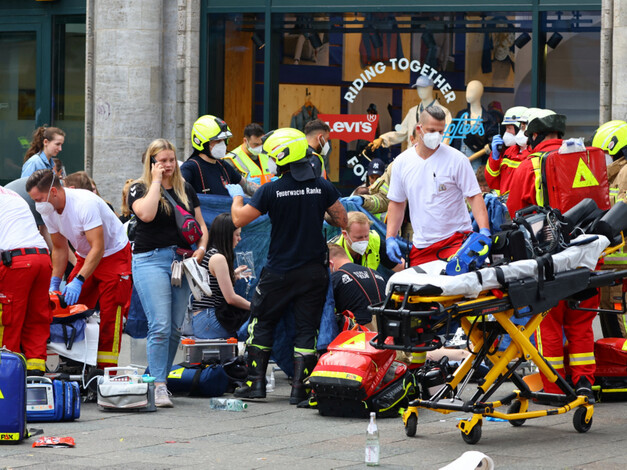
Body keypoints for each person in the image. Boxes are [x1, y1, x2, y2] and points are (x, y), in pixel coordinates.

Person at [229, 127, 347, 404]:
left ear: (281, 157)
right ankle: (300, 389)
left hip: (279, 271)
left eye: (271, 156)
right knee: (307, 328)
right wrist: (316, 210)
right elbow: (341, 220)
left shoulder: (271, 190)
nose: (268, 160)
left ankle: (255, 383)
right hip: (313, 271)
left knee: (262, 322)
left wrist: (236, 195)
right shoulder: (321, 185)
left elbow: (238, 220)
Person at [505, 112, 598, 400]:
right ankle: (584, 384)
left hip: (550, 261)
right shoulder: (587, 159)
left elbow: (513, 212)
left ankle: (556, 389)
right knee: (581, 322)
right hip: (589, 257)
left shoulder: (528, 167)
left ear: (534, 136)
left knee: (549, 324)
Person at [128, 138, 209, 407]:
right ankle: (160, 385)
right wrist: (154, 182)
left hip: (183, 262)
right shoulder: (138, 188)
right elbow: (147, 215)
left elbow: (201, 226)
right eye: (161, 160)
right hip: (150, 259)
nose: (167, 165)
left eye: (171, 160)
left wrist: (201, 249)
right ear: (151, 163)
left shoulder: (185, 188)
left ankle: (156, 378)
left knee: (174, 327)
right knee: (160, 325)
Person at [26, 169, 133, 371]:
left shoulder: (85, 203)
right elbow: (59, 248)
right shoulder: (47, 210)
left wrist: (79, 279)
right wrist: (54, 282)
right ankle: (78, 363)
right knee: (68, 308)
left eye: (39, 198)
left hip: (114, 255)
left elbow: (98, 247)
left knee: (111, 314)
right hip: (86, 255)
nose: (37, 204)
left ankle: (104, 371)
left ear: (54, 192)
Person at [385, 107, 490, 267]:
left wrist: (484, 230)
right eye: (431, 130)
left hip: (456, 241)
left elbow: (474, 196)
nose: (436, 136)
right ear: (419, 129)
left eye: (440, 131)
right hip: (421, 246)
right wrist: (390, 237)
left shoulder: (457, 160)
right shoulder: (401, 163)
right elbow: (397, 203)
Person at [0, 185, 52, 375]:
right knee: (36, 318)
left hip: (17, 261)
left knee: (8, 320)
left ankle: (6, 374)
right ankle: (35, 375)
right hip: (42, 257)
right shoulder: (10, 194)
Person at [190, 213, 251, 339]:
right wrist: (257, 307)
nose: (239, 239)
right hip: (210, 319)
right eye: (237, 235)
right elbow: (231, 298)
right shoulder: (218, 258)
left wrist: (233, 275)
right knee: (260, 317)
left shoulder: (211, 254)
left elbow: (213, 284)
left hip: (202, 319)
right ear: (227, 235)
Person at [368, 75, 452, 150]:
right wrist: (383, 139)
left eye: (424, 87)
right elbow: (401, 132)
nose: (420, 91)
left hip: (433, 159)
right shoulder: (412, 111)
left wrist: (439, 158)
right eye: (418, 88)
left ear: (431, 88)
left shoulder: (443, 112)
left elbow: (445, 138)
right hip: (413, 158)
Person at [181, 115, 258, 196]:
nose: (222, 144)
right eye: (217, 141)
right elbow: (177, 188)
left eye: (224, 140)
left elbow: (245, 185)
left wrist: (268, 191)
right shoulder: (190, 167)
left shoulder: (223, 166)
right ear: (202, 143)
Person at [328, 243, 385, 329]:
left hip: (358, 336)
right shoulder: (376, 273)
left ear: (330, 264)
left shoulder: (336, 278)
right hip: (385, 333)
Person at [332, 211, 403, 272]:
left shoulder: (375, 241)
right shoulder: (333, 250)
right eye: (359, 237)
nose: (364, 241)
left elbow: (401, 267)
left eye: (366, 236)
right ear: (345, 234)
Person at [484, 106, 530, 194]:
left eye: (509, 128)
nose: (506, 133)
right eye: (506, 129)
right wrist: (495, 157)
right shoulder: (509, 152)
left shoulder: (533, 153)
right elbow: (492, 182)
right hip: (506, 205)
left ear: (521, 128)